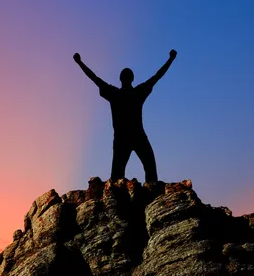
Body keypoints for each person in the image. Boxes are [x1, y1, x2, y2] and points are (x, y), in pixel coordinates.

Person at [73, 50, 177, 182]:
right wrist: (171, 59)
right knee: (147, 169)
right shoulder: (136, 92)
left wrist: (79, 63)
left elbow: (94, 78)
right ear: (132, 79)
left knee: (121, 175)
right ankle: (152, 192)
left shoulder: (115, 93)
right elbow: (157, 76)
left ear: (121, 79)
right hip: (135, 137)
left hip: (124, 138)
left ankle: (146, 193)